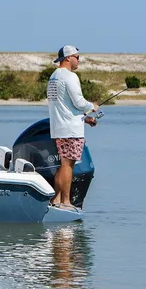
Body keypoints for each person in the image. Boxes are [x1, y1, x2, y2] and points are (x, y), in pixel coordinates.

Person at [47, 45, 99, 210]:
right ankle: (66, 202)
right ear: (68, 58)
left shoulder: (53, 77)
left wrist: (85, 118)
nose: (79, 60)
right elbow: (78, 102)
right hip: (71, 131)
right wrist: (92, 106)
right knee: (68, 165)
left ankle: (56, 199)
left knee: (63, 164)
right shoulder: (70, 76)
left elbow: (65, 107)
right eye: (77, 57)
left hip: (58, 128)